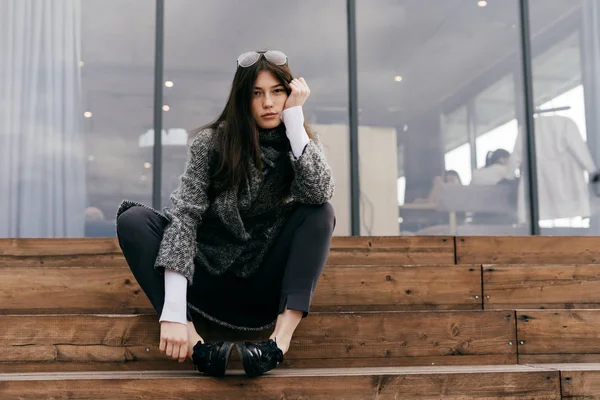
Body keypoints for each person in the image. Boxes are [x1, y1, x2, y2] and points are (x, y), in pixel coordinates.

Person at [115, 50, 335, 378]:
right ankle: (196, 344)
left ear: (290, 94)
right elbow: (185, 217)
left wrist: (295, 121)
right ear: (242, 99)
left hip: (262, 285)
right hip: (204, 281)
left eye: (277, 92)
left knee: (320, 212)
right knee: (134, 220)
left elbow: (318, 192)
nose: (268, 103)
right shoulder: (211, 143)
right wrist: (173, 311)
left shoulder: (298, 143)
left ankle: (277, 344)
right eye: (256, 93)